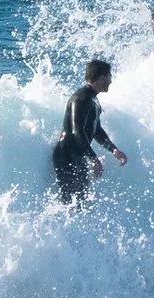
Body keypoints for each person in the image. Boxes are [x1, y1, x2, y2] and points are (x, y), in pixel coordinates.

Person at [51, 57, 126, 205]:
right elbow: (76, 130)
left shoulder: (93, 100)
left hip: (77, 156)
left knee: (81, 202)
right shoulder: (81, 98)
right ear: (103, 78)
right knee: (69, 203)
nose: (111, 81)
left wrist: (113, 150)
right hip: (66, 156)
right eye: (110, 77)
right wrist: (93, 158)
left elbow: (96, 129)